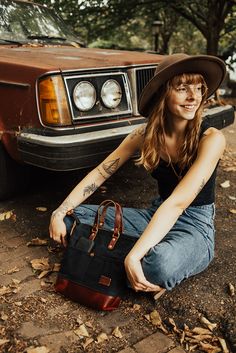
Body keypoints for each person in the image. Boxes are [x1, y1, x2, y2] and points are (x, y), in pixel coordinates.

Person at [49, 53, 226, 297]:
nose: (193, 97)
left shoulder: (212, 139)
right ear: (163, 93)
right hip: (155, 215)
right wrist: (60, 211)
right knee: (71, 219)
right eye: (183, 88)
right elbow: (101, 172)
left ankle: (137, 254)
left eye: (198, 88)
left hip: (195, 226)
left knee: (159, 265)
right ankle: (135, 254)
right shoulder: (143, 136)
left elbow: (178, 203)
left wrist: (133, 256)